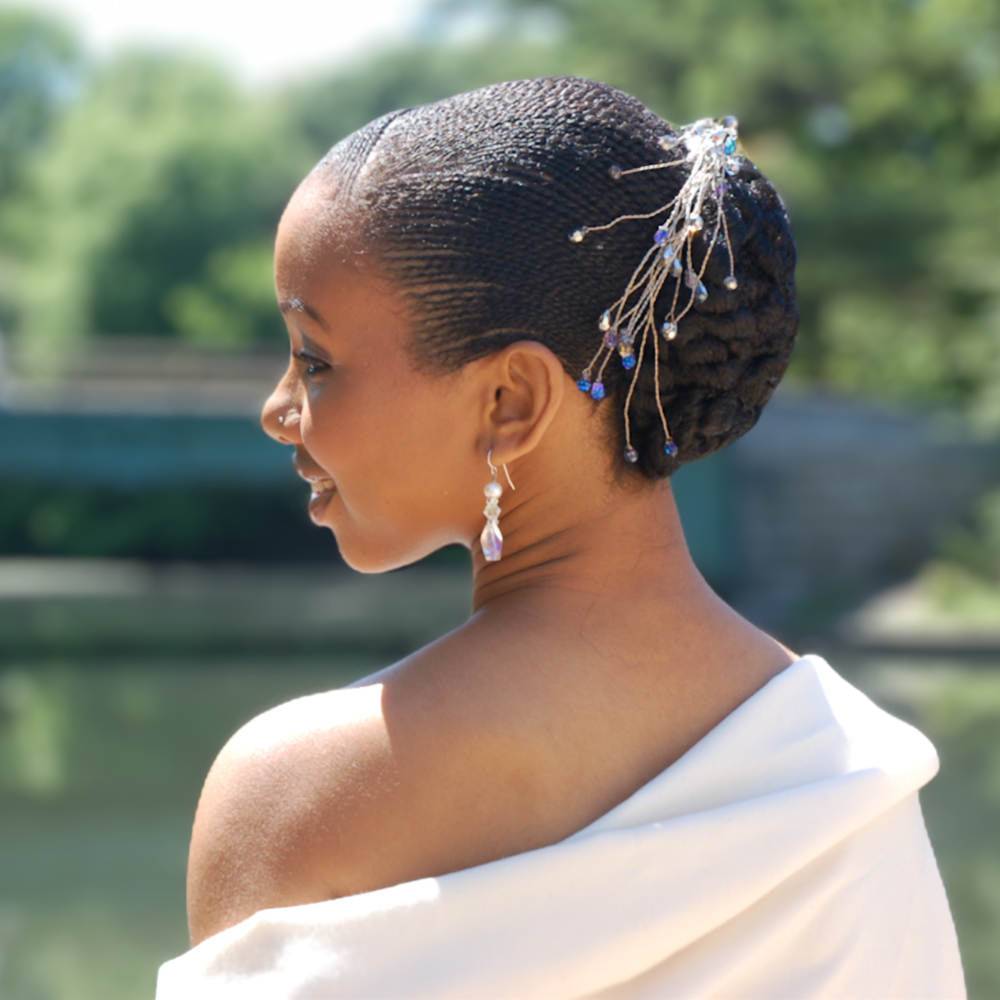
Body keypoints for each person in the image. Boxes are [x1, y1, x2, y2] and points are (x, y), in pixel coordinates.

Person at [155, 75, 965, 998]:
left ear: (511, 401)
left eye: (314, 360)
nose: (277, 410)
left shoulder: (300, 799)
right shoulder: (847, 779)